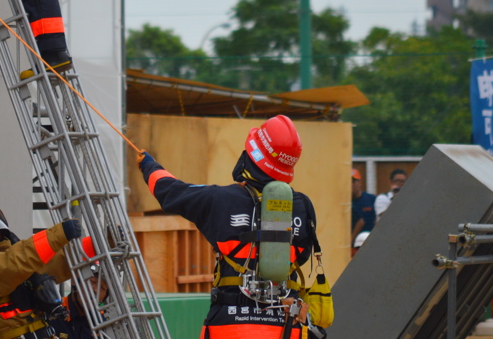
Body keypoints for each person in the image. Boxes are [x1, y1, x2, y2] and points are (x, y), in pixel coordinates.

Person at [137, 115, 321, 338]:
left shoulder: (220, 199)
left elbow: (168, 191)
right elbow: (303, 257)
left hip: (229, 325)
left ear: (251, 157)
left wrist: (149, 165)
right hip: (285, 326)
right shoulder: (303, 207)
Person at [0, 195, 87, 339]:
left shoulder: (21, 261)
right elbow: (14, 263)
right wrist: (58, 234)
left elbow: (55, 262)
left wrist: (99, 246)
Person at [49, 263, 109, 339]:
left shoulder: (102, 322)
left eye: (102, 288)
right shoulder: (53, 312)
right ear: (75, 282)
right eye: (92, 281)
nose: (95, 290)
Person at [351, 168, 377, 244]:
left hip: (371, 242)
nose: (351, 185)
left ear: (360, 183)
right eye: (348, 182)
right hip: (352, 244)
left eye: (353, 182)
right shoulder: (343, 203)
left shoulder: (371, 199)